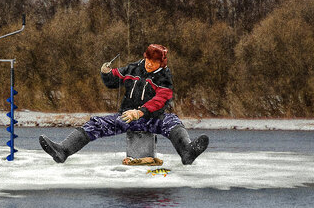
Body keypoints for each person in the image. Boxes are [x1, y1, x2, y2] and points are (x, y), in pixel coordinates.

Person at [38, 44, 209, 164]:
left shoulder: (165, 77)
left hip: (153, 119)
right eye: (148, 59)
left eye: (154, 62)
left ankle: (187, 151)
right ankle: (63, 151)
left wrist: (141, 112)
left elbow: (161, 100)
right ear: (145, 56)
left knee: (173, 122)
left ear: (162, 63)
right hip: (126, 117)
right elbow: (114, 78)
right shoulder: (133, 68)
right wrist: (105, 72)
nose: (150, 64)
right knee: (95, 123)